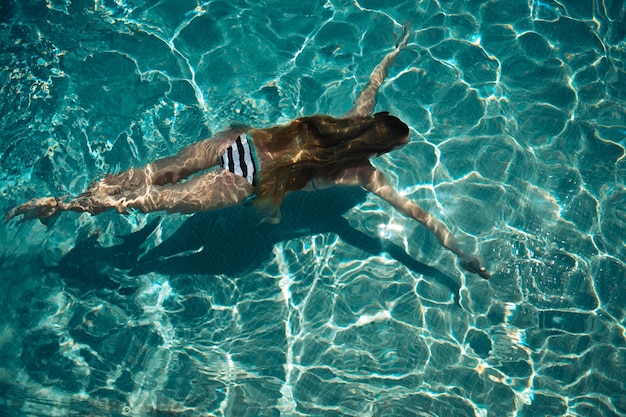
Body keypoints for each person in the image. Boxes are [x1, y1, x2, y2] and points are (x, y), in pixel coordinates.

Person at [5, 25, 490, 279]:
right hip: (244, 180)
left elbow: (372, 84)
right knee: (155, 204)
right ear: (379, 151)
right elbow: (421, 217)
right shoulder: (363, 176)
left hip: (239, 142)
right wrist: (460, 253)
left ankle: (67, 200)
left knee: (150, 175)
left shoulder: (353, 121)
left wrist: (394, 51)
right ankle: (62, 209)